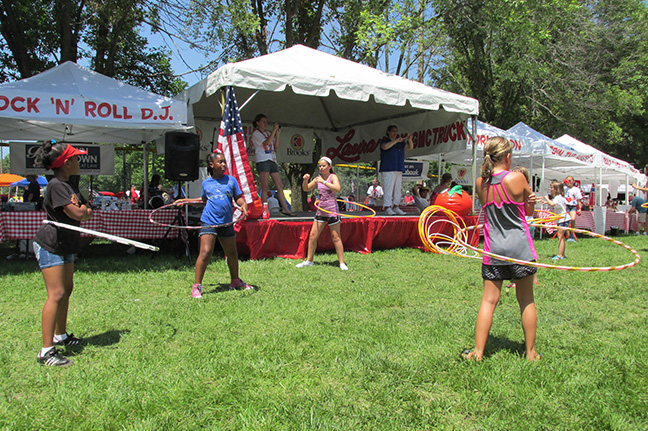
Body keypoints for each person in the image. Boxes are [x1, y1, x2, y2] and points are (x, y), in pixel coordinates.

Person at [462, 137, 540, 362]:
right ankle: (530, 353)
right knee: (526, 300)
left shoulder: (480, 183)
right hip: (520, 249)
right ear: (508, 156)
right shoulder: (518, 178)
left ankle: (477, 353)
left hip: (494, 249)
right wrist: (531, 202)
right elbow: (528, 214)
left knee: (488, 301)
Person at [32, 141, 93, 367]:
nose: (79, 161)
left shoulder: (70, 184)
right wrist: (85, 211)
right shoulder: (57, 185)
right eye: (76, 158)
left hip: (66, 243)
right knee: (56, 293)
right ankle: (46, 351)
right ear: (67, 163)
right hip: (51, 244)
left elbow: (86, 209)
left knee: (67, 290)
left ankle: (61, 335)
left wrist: (85, 210)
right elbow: (79, 212)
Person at [176, 152, 251, 298]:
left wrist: (244, 206)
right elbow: (205, 199)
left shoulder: (231, 181)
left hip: (226, 222)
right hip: (209, 220)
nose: (223, 165)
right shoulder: (206, 183)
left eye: (224, 162)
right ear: (212, 165)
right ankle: (197, 286)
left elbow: (239, 198)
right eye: (220, 162)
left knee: (232, 253)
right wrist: (186, 200)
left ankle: (235, 281)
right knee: (205, 253)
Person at [296, 156, 348, 270]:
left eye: (324, 165)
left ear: (329, 166)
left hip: (332, 211)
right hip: (321, 211)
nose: (321, 167)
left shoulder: (332, 177)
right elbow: (306, 189)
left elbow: (337, 188)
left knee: (336, 237)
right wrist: (305, 180)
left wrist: (324, 182)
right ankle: (309, 261)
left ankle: (342, 263)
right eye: (320, 166)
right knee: (313, 236)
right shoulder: (317, 178)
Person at [251, 113, 294, 216]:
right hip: (263, 160)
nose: (266, 124)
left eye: (266, 122)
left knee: (280, 185)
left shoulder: (267, 133)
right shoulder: (256, 134)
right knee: (265, 187)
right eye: (263, 122)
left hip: (272, 160)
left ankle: (285, 209)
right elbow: (266, 143)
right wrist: (274, 131)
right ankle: (263, 210)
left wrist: (277, 134)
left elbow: (276, 145)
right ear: (258, 123)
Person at [379, 125, 413, 215]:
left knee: (398, 189)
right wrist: (396, 141)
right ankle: (387, 206)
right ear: (388, 132)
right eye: (393, 131)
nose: (395, 133)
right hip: (388, 168)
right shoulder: (385, 140)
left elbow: (410, 147)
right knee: (388, 188)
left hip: (398, 167)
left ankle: (396, 206)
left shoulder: (400, 143)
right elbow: (385, 147)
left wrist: (409, 140)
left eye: (396, 131)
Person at [542, 181, 571, 260]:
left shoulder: (558, 198)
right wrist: (546, 202)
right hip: (563, 218)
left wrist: (547, 198)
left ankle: (560, 255)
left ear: (556, 189)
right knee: (560, 237)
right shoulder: (559, 197)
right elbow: (554, 204)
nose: (550, 189)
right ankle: (561, 254)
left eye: (552, 188)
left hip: (563, 219)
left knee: (560, 237)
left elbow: (553, 204)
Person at [564, 176, 583, 242]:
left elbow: (579, 199)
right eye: (567, 180)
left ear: (573, 181)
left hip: (573, 206)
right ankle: (568, 236)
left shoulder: (576, 189)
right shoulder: (564, 189)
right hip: (566, 206)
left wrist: (580, 208)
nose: (568, 182)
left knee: (573, 219)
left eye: (570, 180)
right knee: (566, 222)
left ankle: (572, 234)